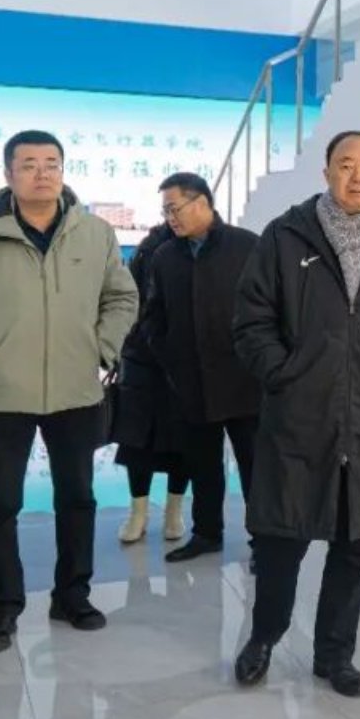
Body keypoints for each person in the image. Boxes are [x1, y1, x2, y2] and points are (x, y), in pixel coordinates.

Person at [231, 130, 360, 696]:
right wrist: (284, 374)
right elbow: (251, 320)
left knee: (355, 546)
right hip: (299, 417)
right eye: (346, 164)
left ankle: (335, 655)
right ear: (326, 173)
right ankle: (264, 637)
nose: (358, 176)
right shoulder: (285, 235)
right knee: (282, 541)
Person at [0, 130, 138, 654]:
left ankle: (73, 595)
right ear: (8, 175)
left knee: (78, 498)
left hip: (76, 390)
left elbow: (121, 297)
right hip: (1, 393)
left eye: (51, 163)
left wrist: (102, 349)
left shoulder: (94, 233)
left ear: (63, 171)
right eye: (28, 164)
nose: (41, 173)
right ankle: (2, 606)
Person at [143, 173, 261, 562]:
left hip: (246, 381)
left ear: (202, 203)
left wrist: (264, 358)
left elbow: (275, 308)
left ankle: (264, 542)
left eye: (174, 208)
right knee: (203, 466)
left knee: (256, 468)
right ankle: (207, 533)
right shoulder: (165, 256)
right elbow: (153, 316)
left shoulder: (248, 246)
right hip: (191, 381)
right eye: (165, 211)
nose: (170, 218)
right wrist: (170, 358)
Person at [112, 222, 190, 546]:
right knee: (136, 441)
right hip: (141, 357)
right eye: (170, 208)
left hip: (185, 359)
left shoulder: (208, 247)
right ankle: (138, 514)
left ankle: (174, 512)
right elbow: (126, 300)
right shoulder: (148, 247)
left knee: (183, 442)